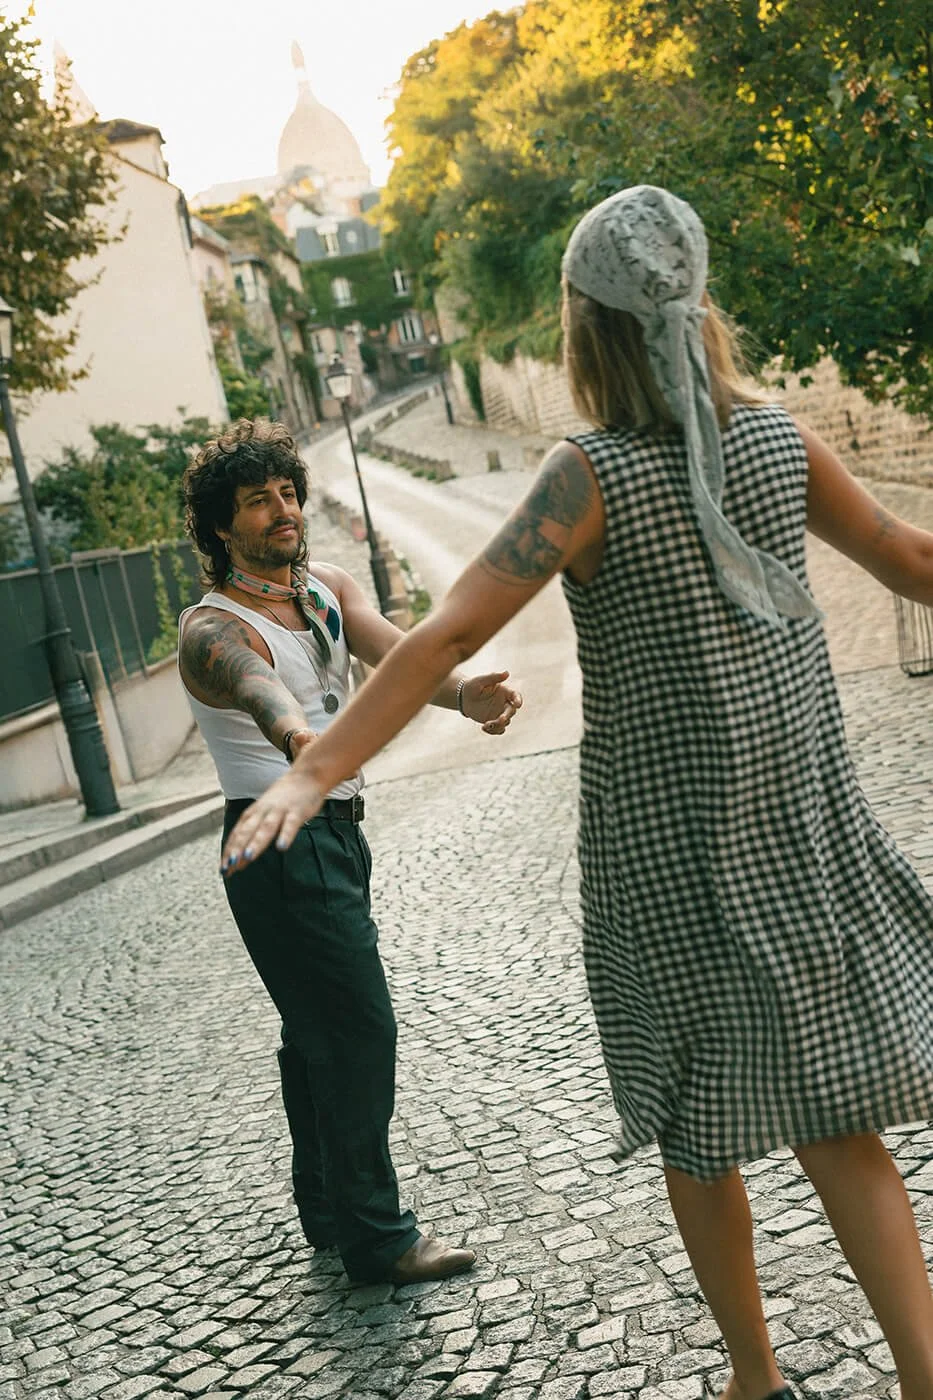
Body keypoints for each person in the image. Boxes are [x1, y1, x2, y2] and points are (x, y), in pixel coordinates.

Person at [221, 188, 933, 1399]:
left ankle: (755, 1380)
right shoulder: (778, 437)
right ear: (696, 302)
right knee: (836, 1117)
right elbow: (916, 561)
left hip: (665, 850)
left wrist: (317, 765)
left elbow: (445, 634)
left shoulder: (586, 475)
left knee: (697, 1119)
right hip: (802, 824)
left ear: (583, 330)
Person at [178, 418, 522, 1286]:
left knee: (314, 1034)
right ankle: (378, 1235)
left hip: (335, 832)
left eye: (287, 493)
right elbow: (264, 696)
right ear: (222, 525)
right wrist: (305, 745)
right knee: (359, 1028)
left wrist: (460, 695)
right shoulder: (209, 629)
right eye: (258, 502)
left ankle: (328, 1210)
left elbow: (394, 654)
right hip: (278, 839)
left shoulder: (324, 585)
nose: (283, 511)